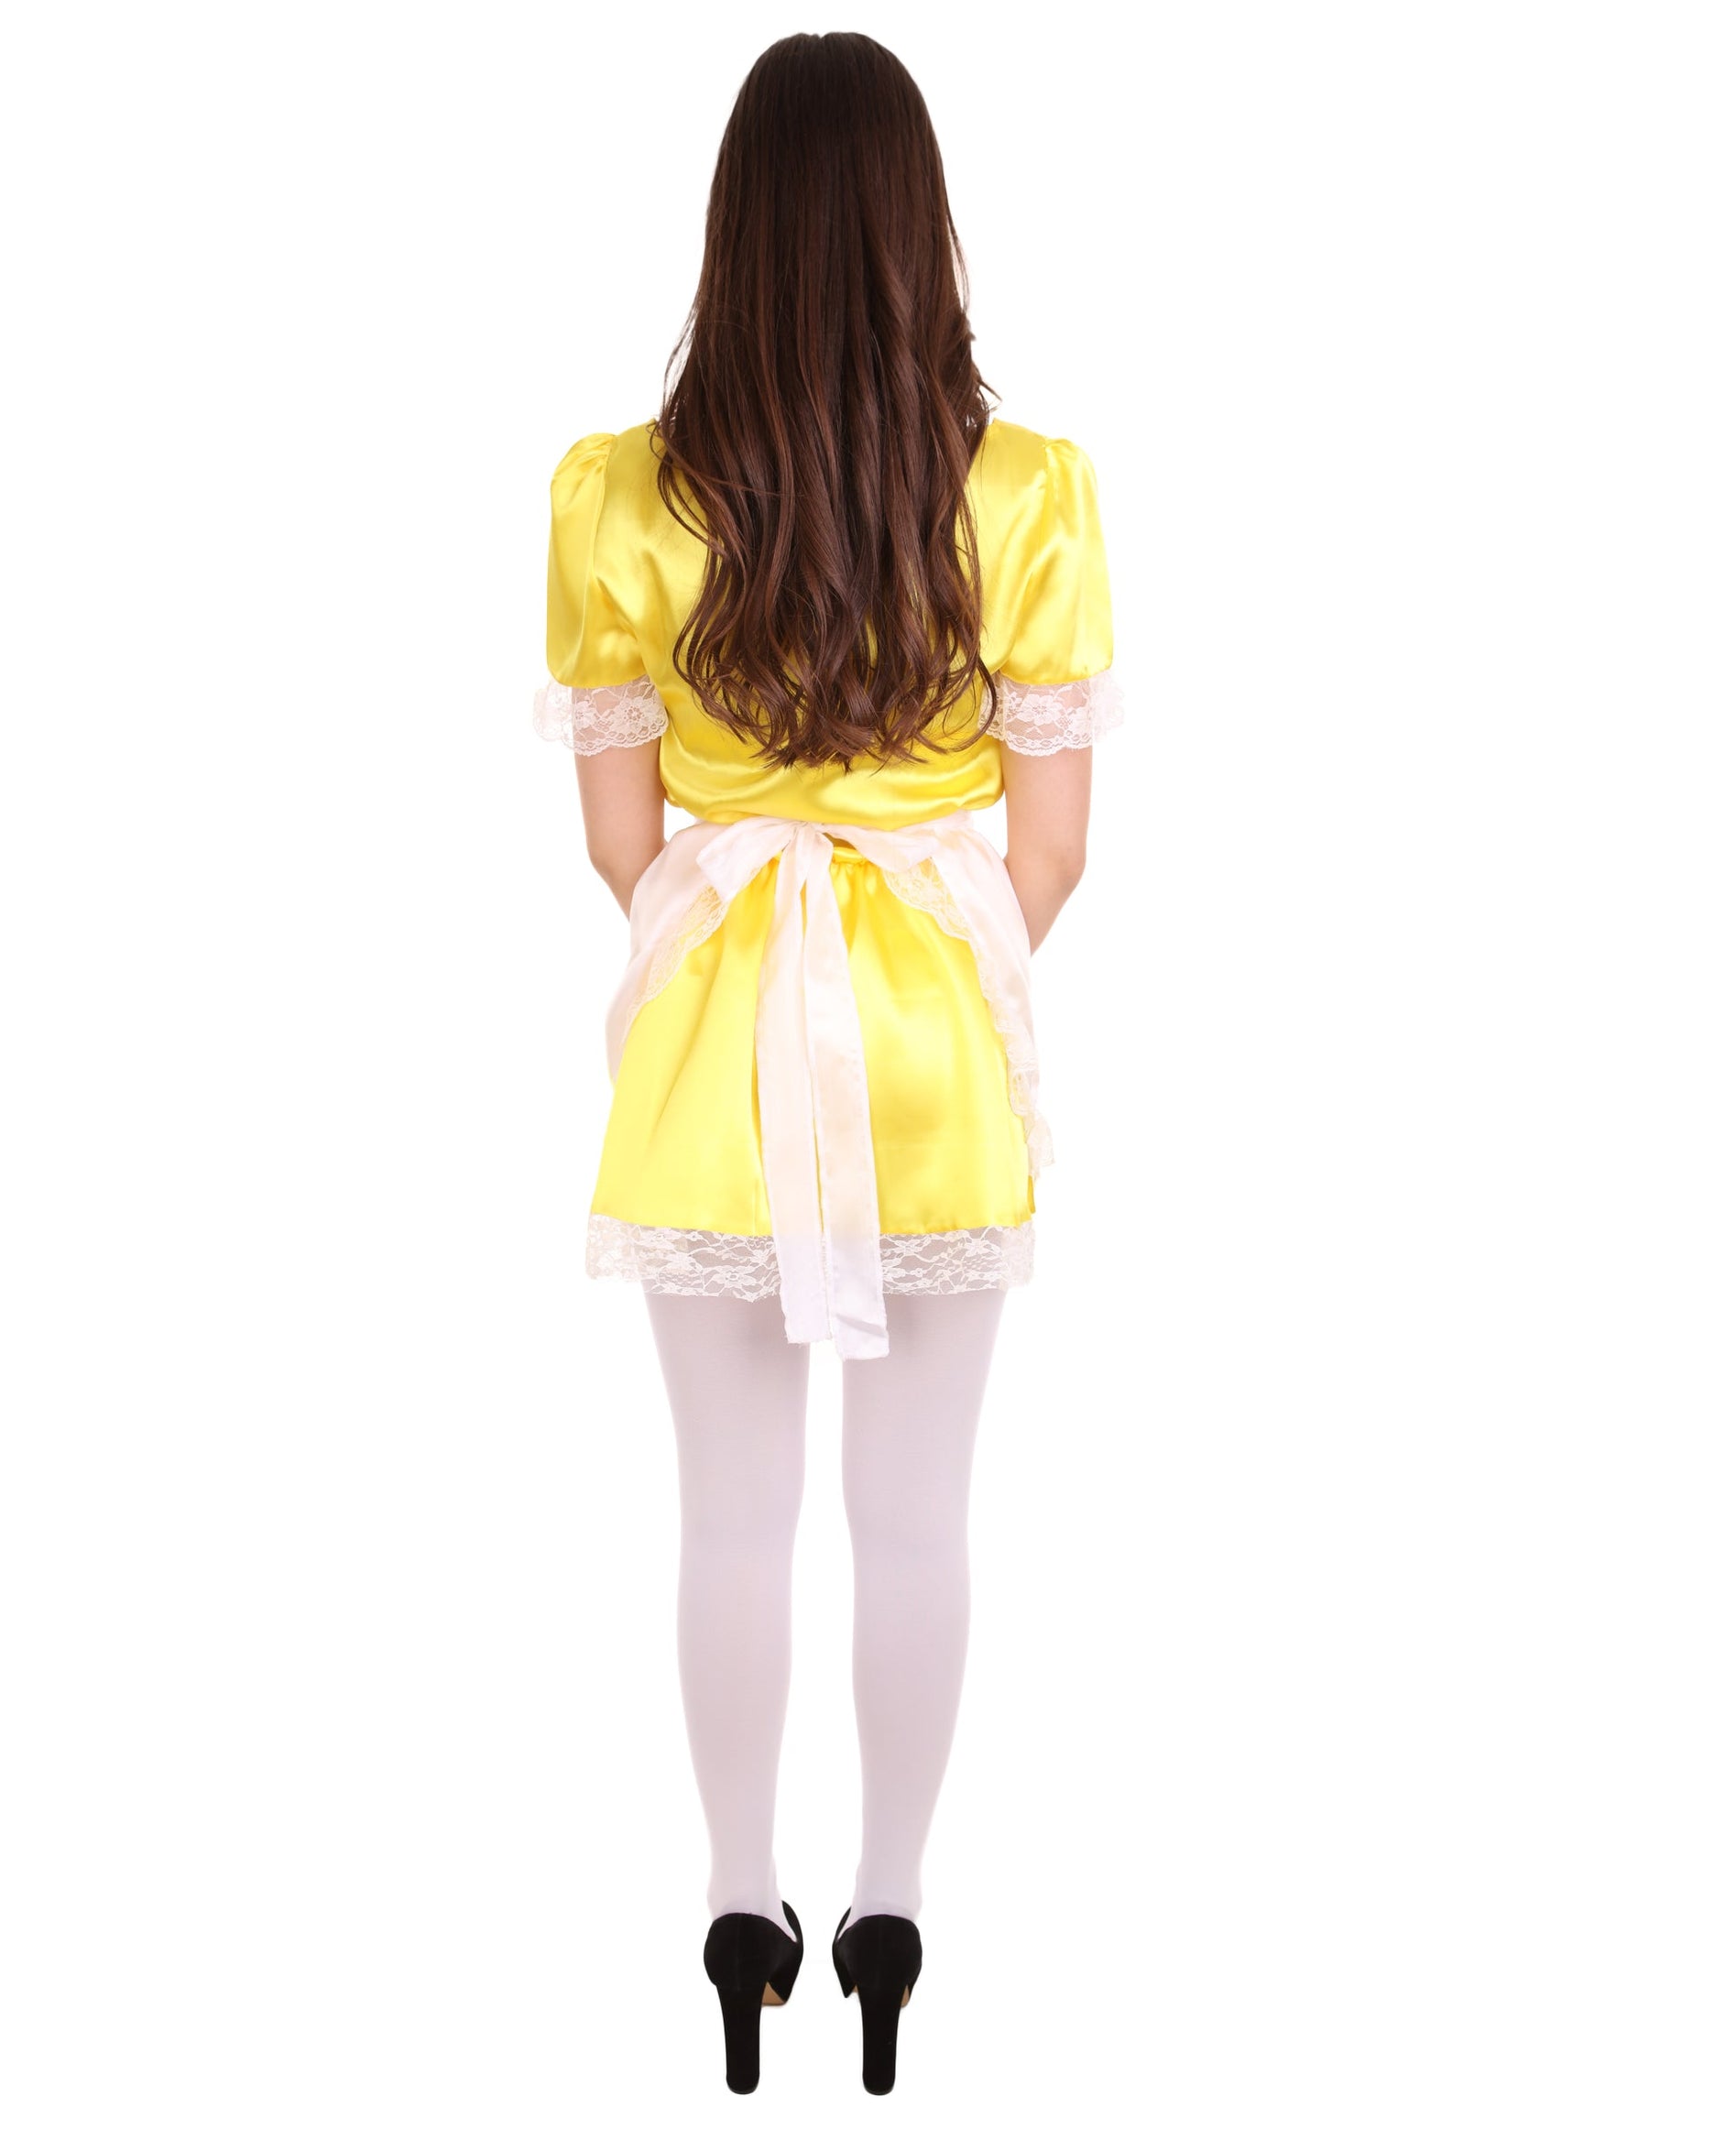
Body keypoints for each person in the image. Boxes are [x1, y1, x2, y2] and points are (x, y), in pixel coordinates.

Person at [533, 31, 1120, 2097]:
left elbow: (621, 846)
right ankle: (889, 1910)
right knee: (916, 1511)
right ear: (915, 227)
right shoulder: (1025, 489)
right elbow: (1051, 849)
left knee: (728, 1511)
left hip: (716, 1030)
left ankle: (734, 1902)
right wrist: (921, 969)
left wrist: (745, 962)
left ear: (736, 227)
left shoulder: (617, 491)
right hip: (934, 1033)